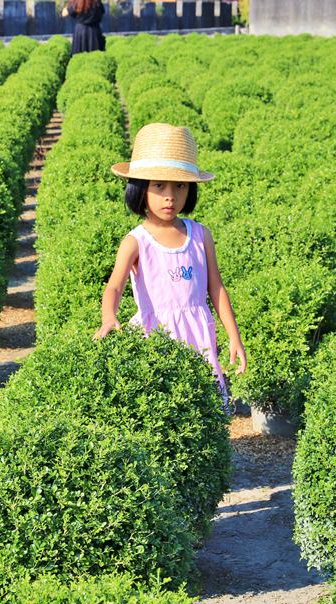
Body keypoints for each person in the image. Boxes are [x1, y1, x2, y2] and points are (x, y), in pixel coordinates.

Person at [94, 122, 246, 417]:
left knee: (202, 411)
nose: (170, 196)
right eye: (159, 186)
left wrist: (234, 335)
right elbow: (114, 285)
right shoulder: (136, 241)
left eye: (180, 186)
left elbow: (216, 288)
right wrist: (108, 318)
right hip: (156, 337)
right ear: (139, 189)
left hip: (198, 335)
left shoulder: (201, 234)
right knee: (162, 412)